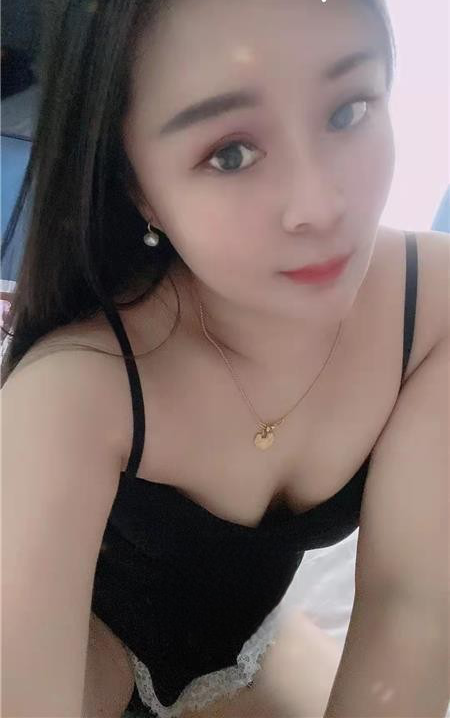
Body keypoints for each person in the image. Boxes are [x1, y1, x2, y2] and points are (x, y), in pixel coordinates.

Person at [2, 1, 448, 717]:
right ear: (136, 186)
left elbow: (412, 607)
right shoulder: (71, 393)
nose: (319, 204)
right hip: (88, 658)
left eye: (348, 111)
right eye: (231, 154)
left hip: (250, 650)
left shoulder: (432, 310)